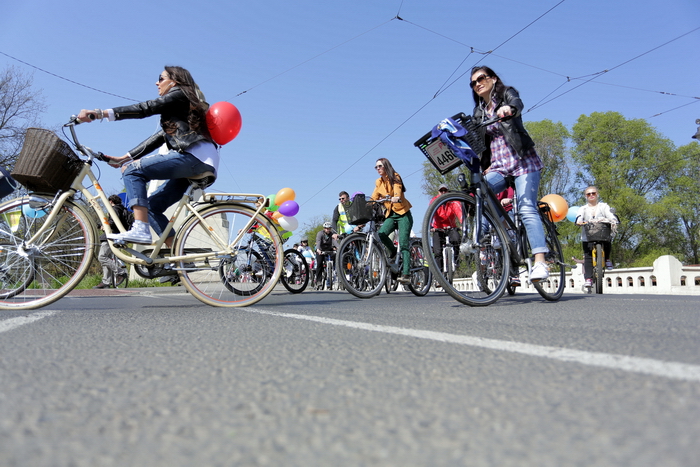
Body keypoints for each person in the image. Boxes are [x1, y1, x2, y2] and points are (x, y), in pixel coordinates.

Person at [77, 66, 219, 247]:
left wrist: (100, 113)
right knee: (151, 207)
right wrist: (125, 157)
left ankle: (140, 228)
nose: (156, 83)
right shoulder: (181, 108)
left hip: (194, 157)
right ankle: (180, 258)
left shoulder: (180, 93)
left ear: (174, 81)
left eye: (161, 78)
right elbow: (158, 138)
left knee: (131, 171)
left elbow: (146, 108)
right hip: (201, 162)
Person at [470, 66, 549, 282]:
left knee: (526, 208)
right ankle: (503, 233)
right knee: (481, 190)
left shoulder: (506, 94)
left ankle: (540, 261)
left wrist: (509, 108)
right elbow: (475, 138)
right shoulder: (479, 112)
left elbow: (517, 103)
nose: (477, 84)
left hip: (522, 161)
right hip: (499, 166)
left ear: (493, 79)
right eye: (473, 82)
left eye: (481, 78)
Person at [370, 158, 413, 284]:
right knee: (381, 234)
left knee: (403, 244)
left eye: (380, 166)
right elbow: (374, 197)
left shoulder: (395, 176)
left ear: (386, 166)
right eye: (376, 167)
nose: (378, 169)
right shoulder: (379, 182)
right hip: (391, 215)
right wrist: (367, 205)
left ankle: (406, 274)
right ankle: (394, 252)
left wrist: (396, 197)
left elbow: (398, 189)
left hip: (403, 214)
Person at [575, 186, 618, 287]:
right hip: (588, 235)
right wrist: (579, 221)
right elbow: (579, 217)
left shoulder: (604, 206)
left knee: (607, 241)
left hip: (602, 232)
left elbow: (610, 215)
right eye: (588, 194)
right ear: (585, 196)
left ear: (597, 194)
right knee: (588, 256)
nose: (591, 195)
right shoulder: (583, 208)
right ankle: (588, 279)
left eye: (593, 193)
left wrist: (613, 219)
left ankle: (607, 259)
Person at [94, 195, 129, 289]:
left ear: (110, 201)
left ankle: (120, 272)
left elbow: (113, 222)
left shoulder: (114, 209)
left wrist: (103, 226)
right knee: (107, 259)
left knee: (102, 257)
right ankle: (106, 282)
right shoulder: (122, 209)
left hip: (111, 236)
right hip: (116, 236)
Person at [429, 184, 461, 273]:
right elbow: (430, 213)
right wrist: (431, 226)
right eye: (441, 191)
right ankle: (440, 274)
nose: (443, 193)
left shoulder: (453, 201)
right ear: (438, 192)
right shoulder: (434, 201)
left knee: (456, 239)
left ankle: (456, 260)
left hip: (451, 227)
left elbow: (459, 212)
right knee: (437, 252)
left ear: (448, 192)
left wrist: (463, 224)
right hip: (438, 228)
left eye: (445, 191)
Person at [314, 222, 337, 287]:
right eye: (326, 228)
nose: (328, 230)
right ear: (324, 228)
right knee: (319, 264)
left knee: (336, 257)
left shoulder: (332, 234)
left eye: (329, 228)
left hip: (329, 249)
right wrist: (318, 249)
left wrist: (338, 247)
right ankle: (318, 280)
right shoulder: (320, 233)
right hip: (321, 250)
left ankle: (335, 272)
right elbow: (318, 241)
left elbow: (334, 242)